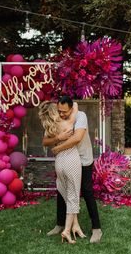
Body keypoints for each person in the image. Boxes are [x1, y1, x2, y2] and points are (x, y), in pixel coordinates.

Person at [42, 96, 102, 244]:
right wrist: (58, 138)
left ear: (71, 108)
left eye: (64, 112)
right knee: (62, 191)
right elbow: (46, 140)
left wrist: (57, 148)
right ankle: (60, 224)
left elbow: (76, 138)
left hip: (83, 158)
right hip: (68, 158)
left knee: (87, 191)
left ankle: (96, 228)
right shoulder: (57, 118)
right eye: (59, 111)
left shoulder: (80, 116)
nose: (61, 114)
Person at [39, 100, 85, 244]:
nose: (60, 112)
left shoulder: (50, 127)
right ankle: (66, 230)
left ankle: (75, 226)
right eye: (58, 110)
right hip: (71, 160)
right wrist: (73, 104)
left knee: (67, 193)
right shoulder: (67, 123)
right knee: (73, 196)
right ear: (54, 112)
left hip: (59, 162)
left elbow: (45, 141)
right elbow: (75, 108)